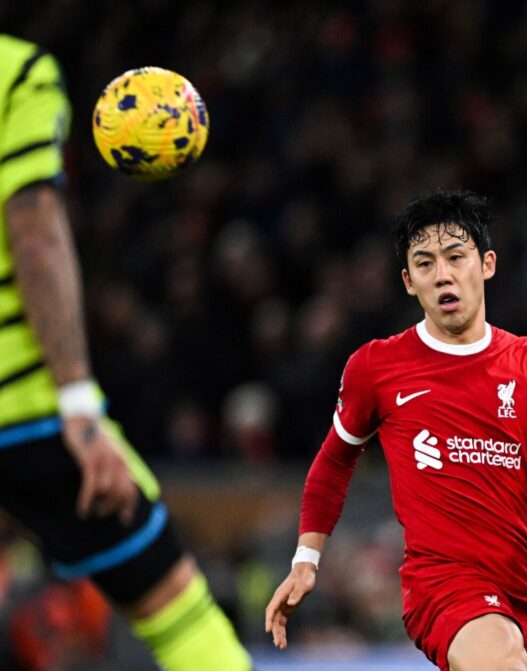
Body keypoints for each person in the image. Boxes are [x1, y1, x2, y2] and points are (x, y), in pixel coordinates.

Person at [265, 188, 527, 671]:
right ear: (408, 281)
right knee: (505, 662)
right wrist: (306, 561)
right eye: (425, 264)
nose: (443, 274)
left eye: (455, 257)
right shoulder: (377, 367)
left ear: (486, 264)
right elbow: (334, 462)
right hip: (444, 588)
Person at [0, 34, 251, 670]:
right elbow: (33, 231)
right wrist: (78, 407)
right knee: (177, 608)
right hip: (22, 406)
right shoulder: (14, 72)